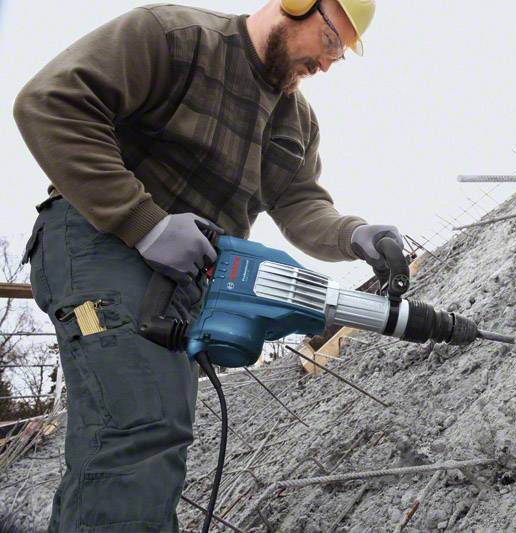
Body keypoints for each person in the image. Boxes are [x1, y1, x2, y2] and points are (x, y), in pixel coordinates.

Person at [13, 1, 404, 530]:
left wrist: (353, 234)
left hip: (182, 287)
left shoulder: (296, 121)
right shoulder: (175, 37)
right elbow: (51, 102)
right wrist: (145, 223)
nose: (327, 64)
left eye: (342, 56)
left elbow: (300, 204)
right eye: (331, 42)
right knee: (142, 422)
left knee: (152, 431)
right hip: (98, 243)